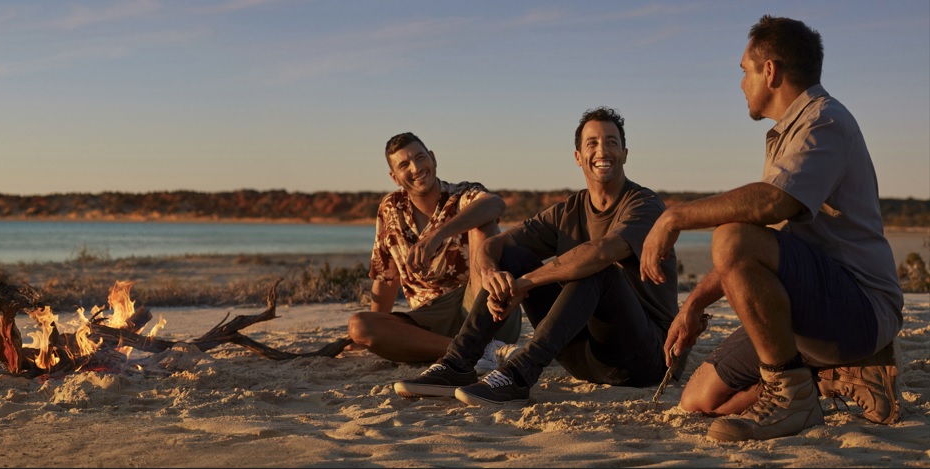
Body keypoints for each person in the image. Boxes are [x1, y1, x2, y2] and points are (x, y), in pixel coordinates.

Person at [639, 15, 903, 442]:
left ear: (771, 71)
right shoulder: (790, 136)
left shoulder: (825, 123)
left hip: (859, 309)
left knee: (731, 235)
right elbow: (762, 247)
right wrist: (693, 306)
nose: (741, 83)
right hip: (808, 303)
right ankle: (826, 379)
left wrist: (674, 216)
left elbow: (770, 205)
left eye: (745, 71)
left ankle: (794, 397)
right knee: (698, 400)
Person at [393, 106, 678, 406]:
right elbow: (495, 245)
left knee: (597, 269)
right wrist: (491, 275)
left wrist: (525, 283)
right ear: (578, 156)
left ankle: (519, 375)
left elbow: (602, 251)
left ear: (625, 153)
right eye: (592, 143)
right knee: (512, 257)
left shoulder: (645, 205)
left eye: (611, 142)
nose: (602, 150)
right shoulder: (568, 211)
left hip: (644, 359)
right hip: (582, 358)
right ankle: (457, 364)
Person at [347, 132, 522, 367]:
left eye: (420, 157)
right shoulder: (391, 208)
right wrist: (379, 328)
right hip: (431, 320)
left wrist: (437, 235)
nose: (416, 168)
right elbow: (387, 278)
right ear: (395, 177)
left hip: (484, 306)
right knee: (360, 326)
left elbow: (495, 204)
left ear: (432, 158)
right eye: (404, 165)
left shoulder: (463, 195)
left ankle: (479, 342)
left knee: (482, 223)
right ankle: (473, 351)